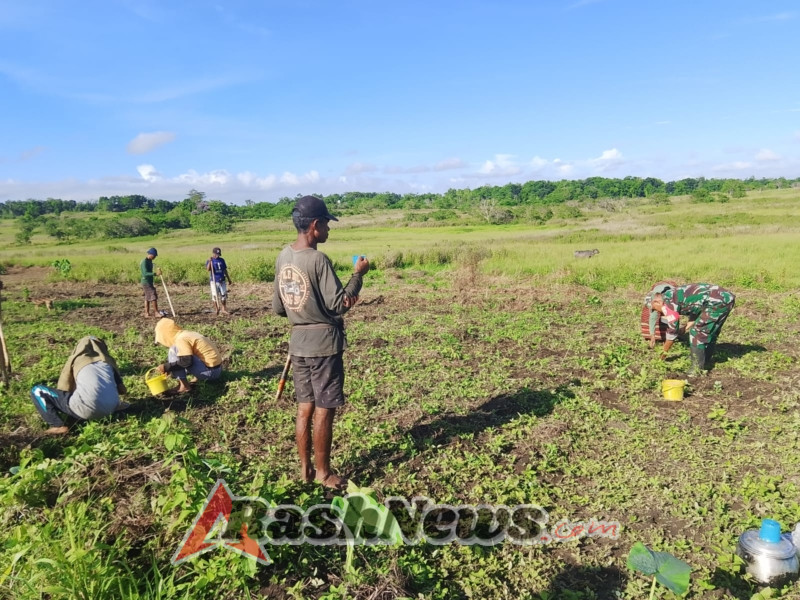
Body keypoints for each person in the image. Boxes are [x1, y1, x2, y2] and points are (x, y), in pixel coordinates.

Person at [273, 195, 369, 490]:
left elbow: (279, 308)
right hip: (323, 346)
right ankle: (324, 473)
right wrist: (358, 276)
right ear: (314, 226)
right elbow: (341, 304)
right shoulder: (317, 260)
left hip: (298, 343)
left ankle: (305, 471)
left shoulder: (283, 256)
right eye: (326, 224)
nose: (329, 229)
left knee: (304, 408)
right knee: (324, 409)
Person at [30, 336, 128, 435]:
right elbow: (123, 390)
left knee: (37, 390)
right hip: (111, 410)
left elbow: (64, 386)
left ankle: (58, 425)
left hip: (86, 409)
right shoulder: (108, 363)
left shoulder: (77, 361)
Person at [645, 283, 736, 375]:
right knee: (709, 330)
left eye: (654, 308)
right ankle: (704, 358)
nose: (656, 311)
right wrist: (686, 327)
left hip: (718, 301)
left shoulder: (669, 305)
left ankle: (696, 369)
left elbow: (672, 333)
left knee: (697, 333)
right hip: (722, 297)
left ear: (657, 302)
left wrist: (662, 355)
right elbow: (697, 309)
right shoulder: (670, 295)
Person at [154, 318, 223, 394]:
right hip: (217, 370)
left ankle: (184, 386)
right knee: (186, 353)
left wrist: (166, 367)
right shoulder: (187, 334)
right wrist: (170, 368)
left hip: (210, 373)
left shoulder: (181, 339)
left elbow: (186, 362)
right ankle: (197, 378)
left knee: (173, 350)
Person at [206, 247, 232, 315]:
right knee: (215, 296)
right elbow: (208, 269)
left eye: (218, 254)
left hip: (222, 280)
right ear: (213, 253)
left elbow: (224, 270)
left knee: (223, 295)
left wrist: (229, 279)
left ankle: (223, 309)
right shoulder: (210, 260)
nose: (218, 255)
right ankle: (217, 308)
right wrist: (210, 262)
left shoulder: (222, 260)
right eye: (216, 254)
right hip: (214, 281)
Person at [141, 247, 163, 317]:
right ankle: (156, 313)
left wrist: (158, 270)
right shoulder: (144, 262)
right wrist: (155, 274)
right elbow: (145, 273)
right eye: (154, 255)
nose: (155, 257)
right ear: (150, 254)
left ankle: (146, 313)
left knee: (147, 297)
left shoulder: (150, 261)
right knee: (153, 295)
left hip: (149, 281)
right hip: (146, 281)